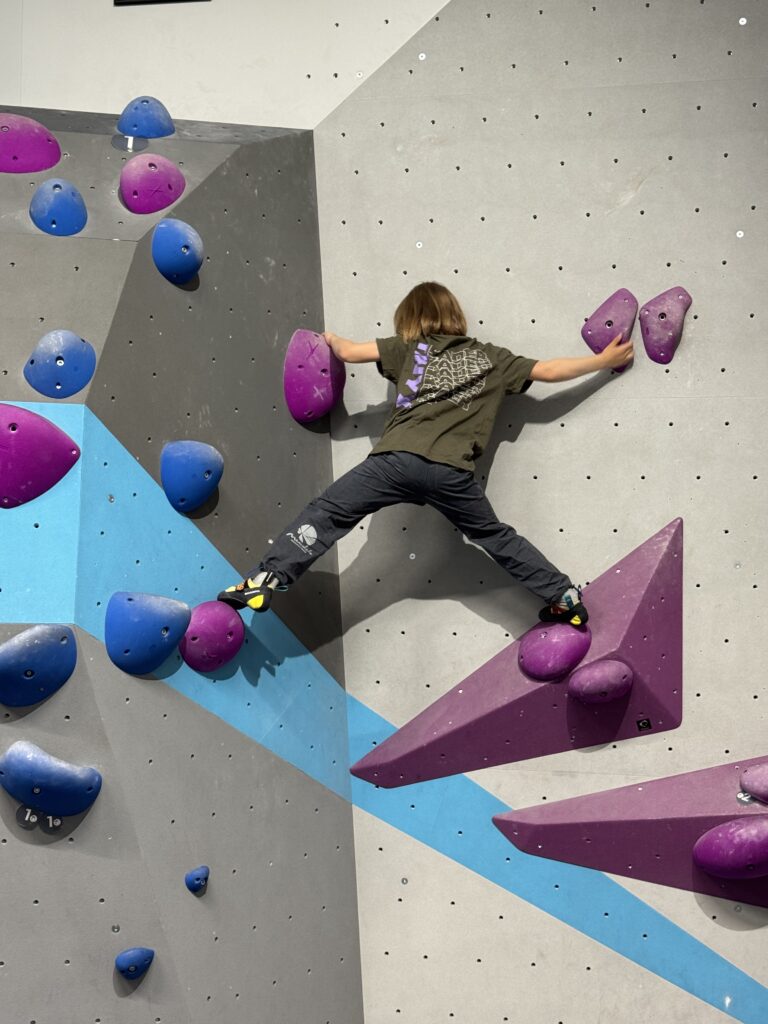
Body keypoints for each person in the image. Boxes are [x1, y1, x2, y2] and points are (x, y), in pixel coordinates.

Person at [218, 282, 633, 626]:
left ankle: (267, 576)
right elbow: (549, 371)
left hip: (395, 460)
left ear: (411, 321)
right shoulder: (494, 358)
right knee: (495, 536)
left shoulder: (409, 348)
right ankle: (563, 595)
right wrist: (602, 360)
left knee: (328, 513)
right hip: (453, 472)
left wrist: (326, 339)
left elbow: (348, 352)